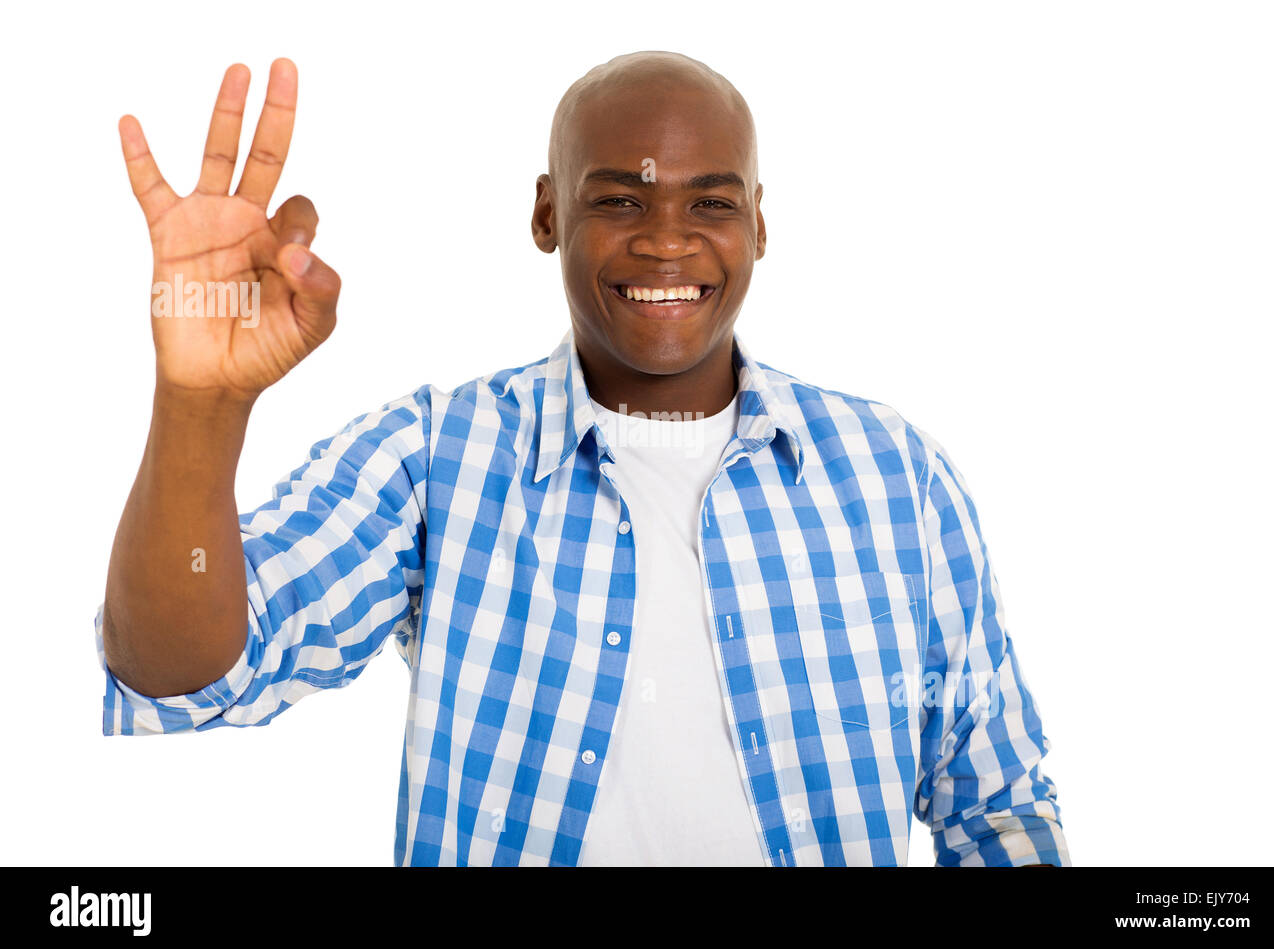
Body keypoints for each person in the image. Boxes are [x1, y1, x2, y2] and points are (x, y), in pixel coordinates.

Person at [98, 51, 1069, 867]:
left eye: (710, 202)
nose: (666, 240)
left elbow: (996, 808)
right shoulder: (436, 459)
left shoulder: (896, 478)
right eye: (620, 198)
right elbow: (178, 670)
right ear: (546, 213)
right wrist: (201, 403)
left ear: (758, 225)